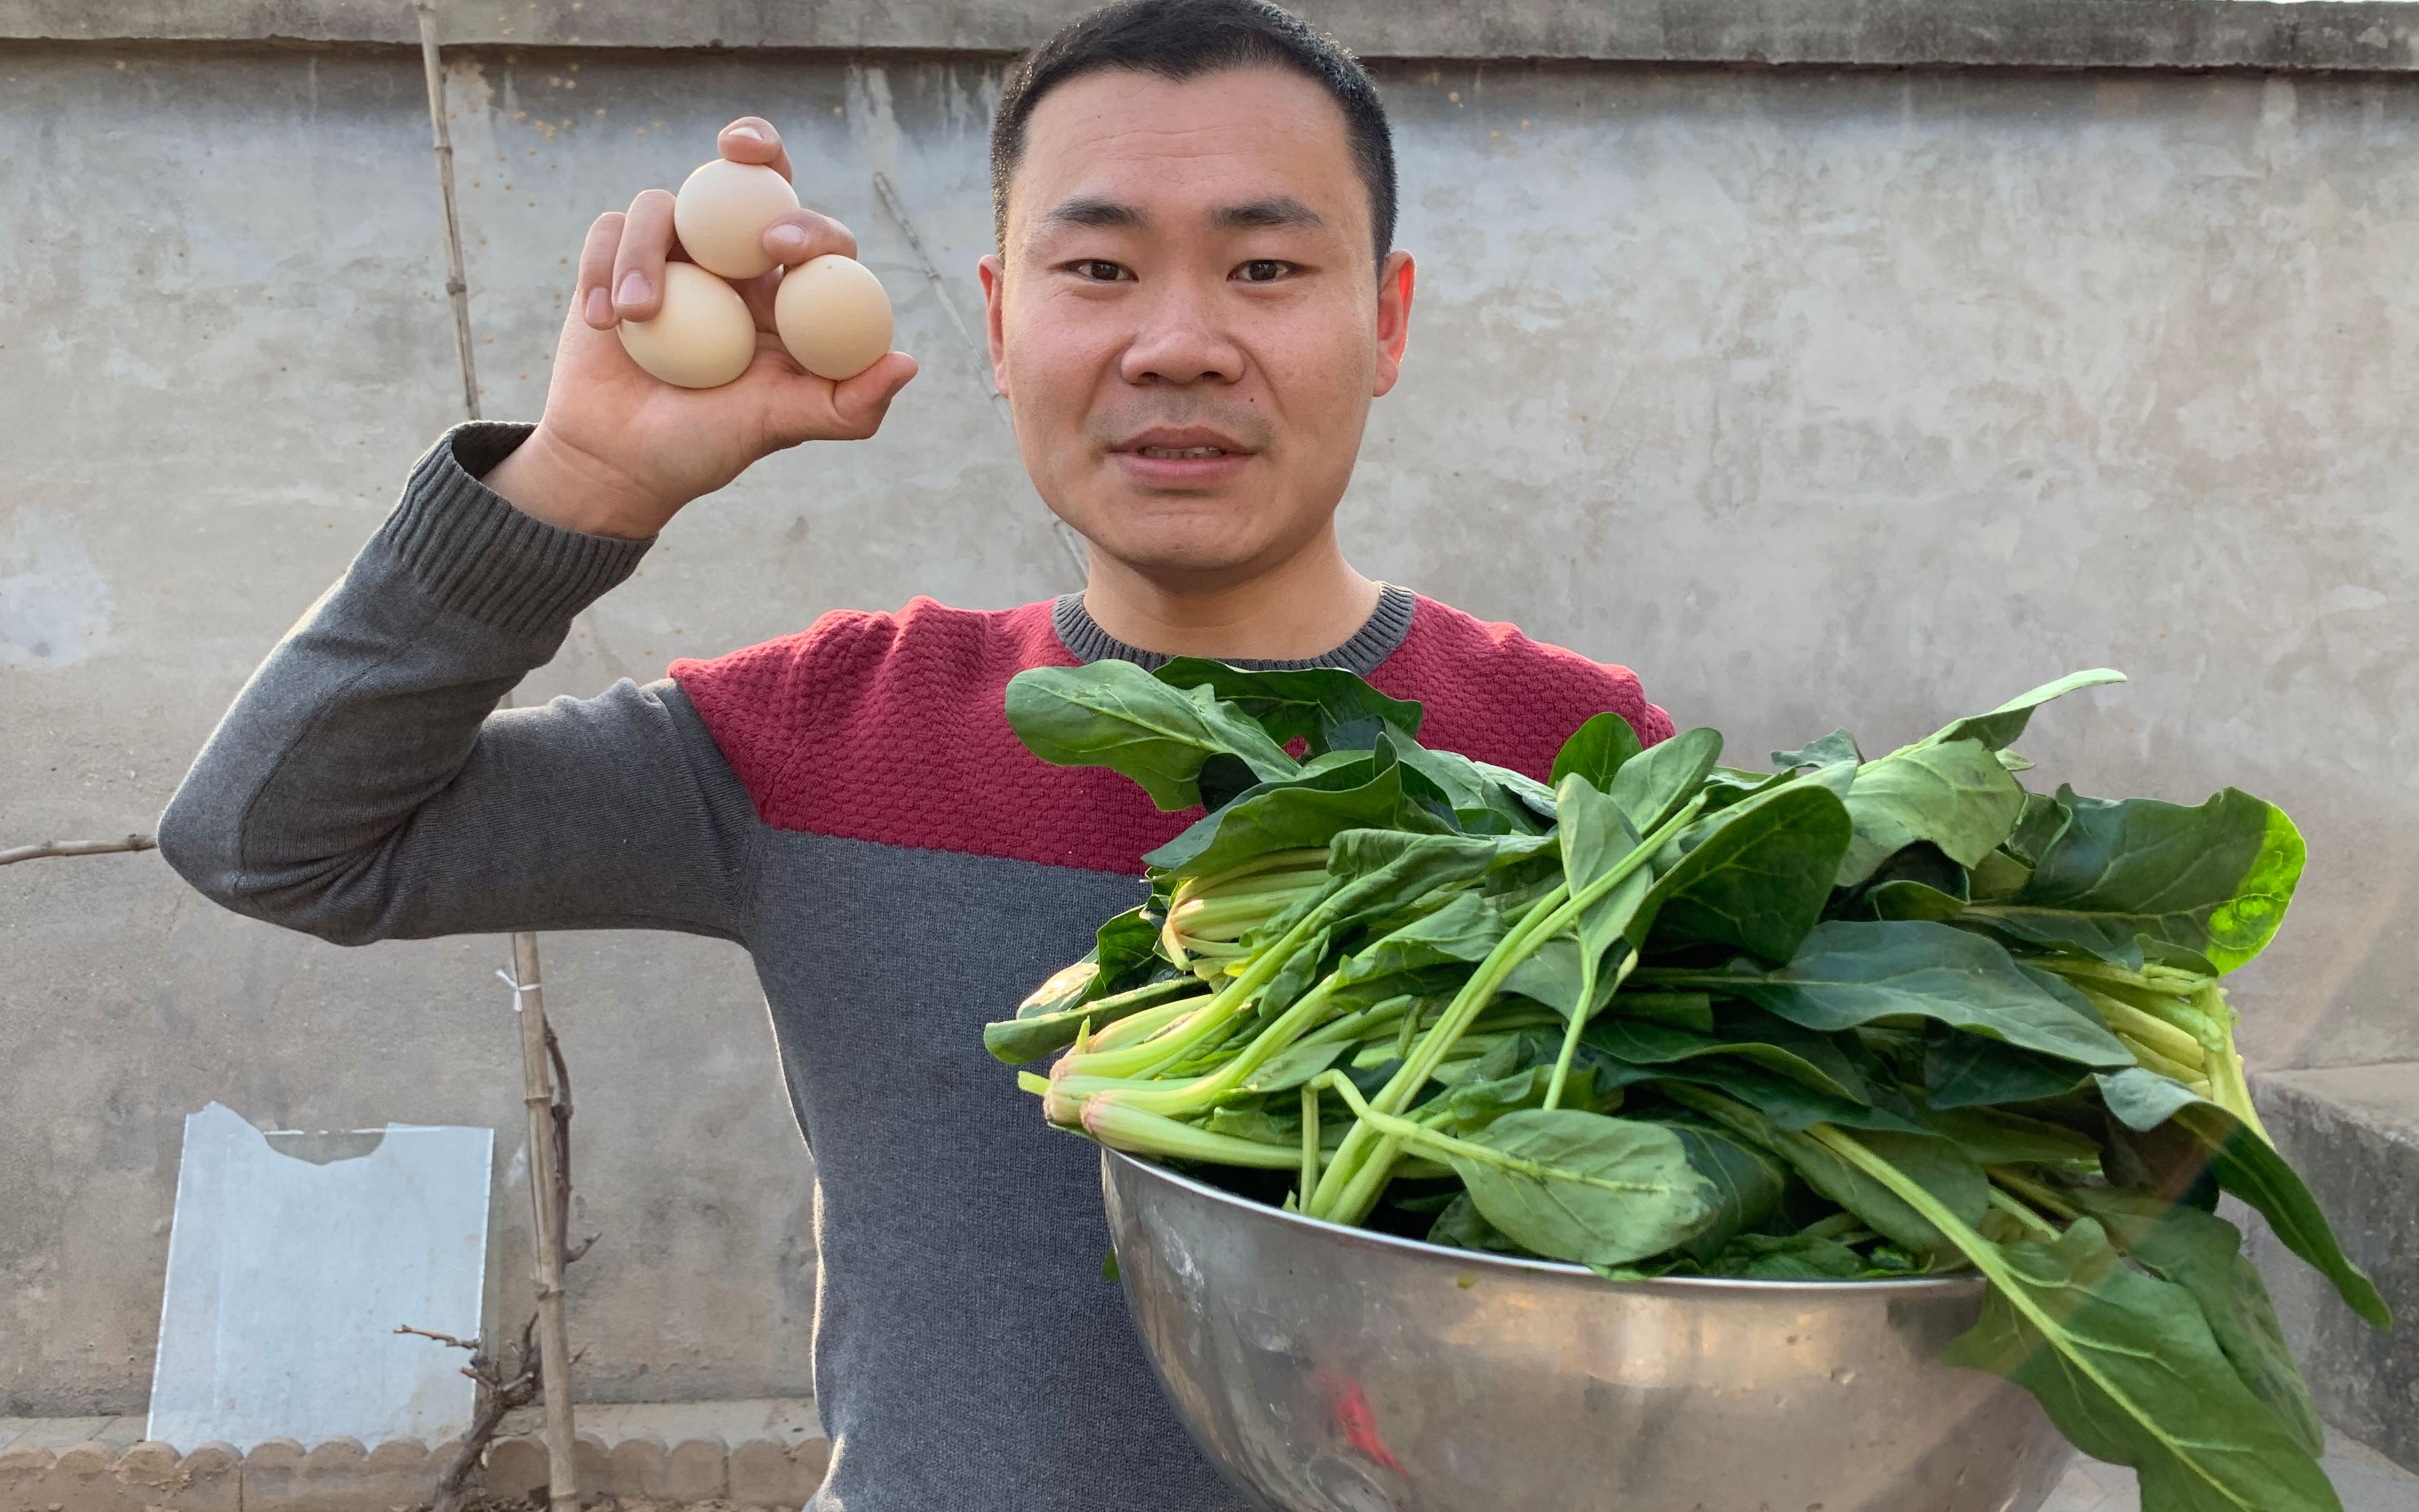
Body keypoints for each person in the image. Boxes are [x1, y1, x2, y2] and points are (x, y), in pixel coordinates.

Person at [159, 1, 1672, 1506]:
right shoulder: (822, 733)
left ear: (1385, 320)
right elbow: (274, 834)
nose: (1177, 344)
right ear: (1001, 322)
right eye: (1096, 269)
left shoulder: (1585, 771)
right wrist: (582, 477)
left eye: (1264, 268)